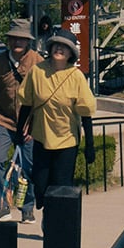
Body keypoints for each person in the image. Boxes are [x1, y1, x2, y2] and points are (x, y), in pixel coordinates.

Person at [19, 27, 97, 212]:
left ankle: (55, 224)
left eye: (65, 47)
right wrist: (18, 130)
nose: (59, 49)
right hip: (41, 137)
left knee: (61, 188)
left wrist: (90, 145)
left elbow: (85, 113)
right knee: (40, 184)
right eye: (56, 45)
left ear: (71, 53)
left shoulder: (76, 76)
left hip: (67, 139)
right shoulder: (37, 72)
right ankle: (47, 209)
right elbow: (27, 104)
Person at [0, 18, 40, 222]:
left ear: (28, 42)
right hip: (2, 119)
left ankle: (27, 207)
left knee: (29, 167)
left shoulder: (37, 61)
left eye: (22, 39)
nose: (17, 43)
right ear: (8, 39)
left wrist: (35, 125)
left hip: (29, 123)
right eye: (14, 38)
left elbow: (43, 96)